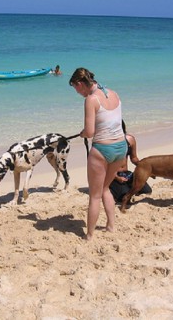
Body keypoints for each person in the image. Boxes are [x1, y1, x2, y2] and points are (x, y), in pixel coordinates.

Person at [69, 67, 127, 240]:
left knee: (94, 195)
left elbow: (90, 132)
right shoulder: (114, 93)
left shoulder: (91, 99)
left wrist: (83, 133)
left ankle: (90, 235)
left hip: (103, 149)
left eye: (75, 88)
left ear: (80, 84)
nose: (77, 92)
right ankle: (110, 226)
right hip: (121, 147)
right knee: (105, 188)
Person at [109, 120, 152, 203]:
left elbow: (134, 158)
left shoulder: (129, 140)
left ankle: (123, 188)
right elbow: (105, 166)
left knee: (146, 190)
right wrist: (117, 178)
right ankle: (111, 188)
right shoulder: (107, 143)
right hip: (112, 175)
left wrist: (144, 167)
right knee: (124, 196)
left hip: (126, 174)